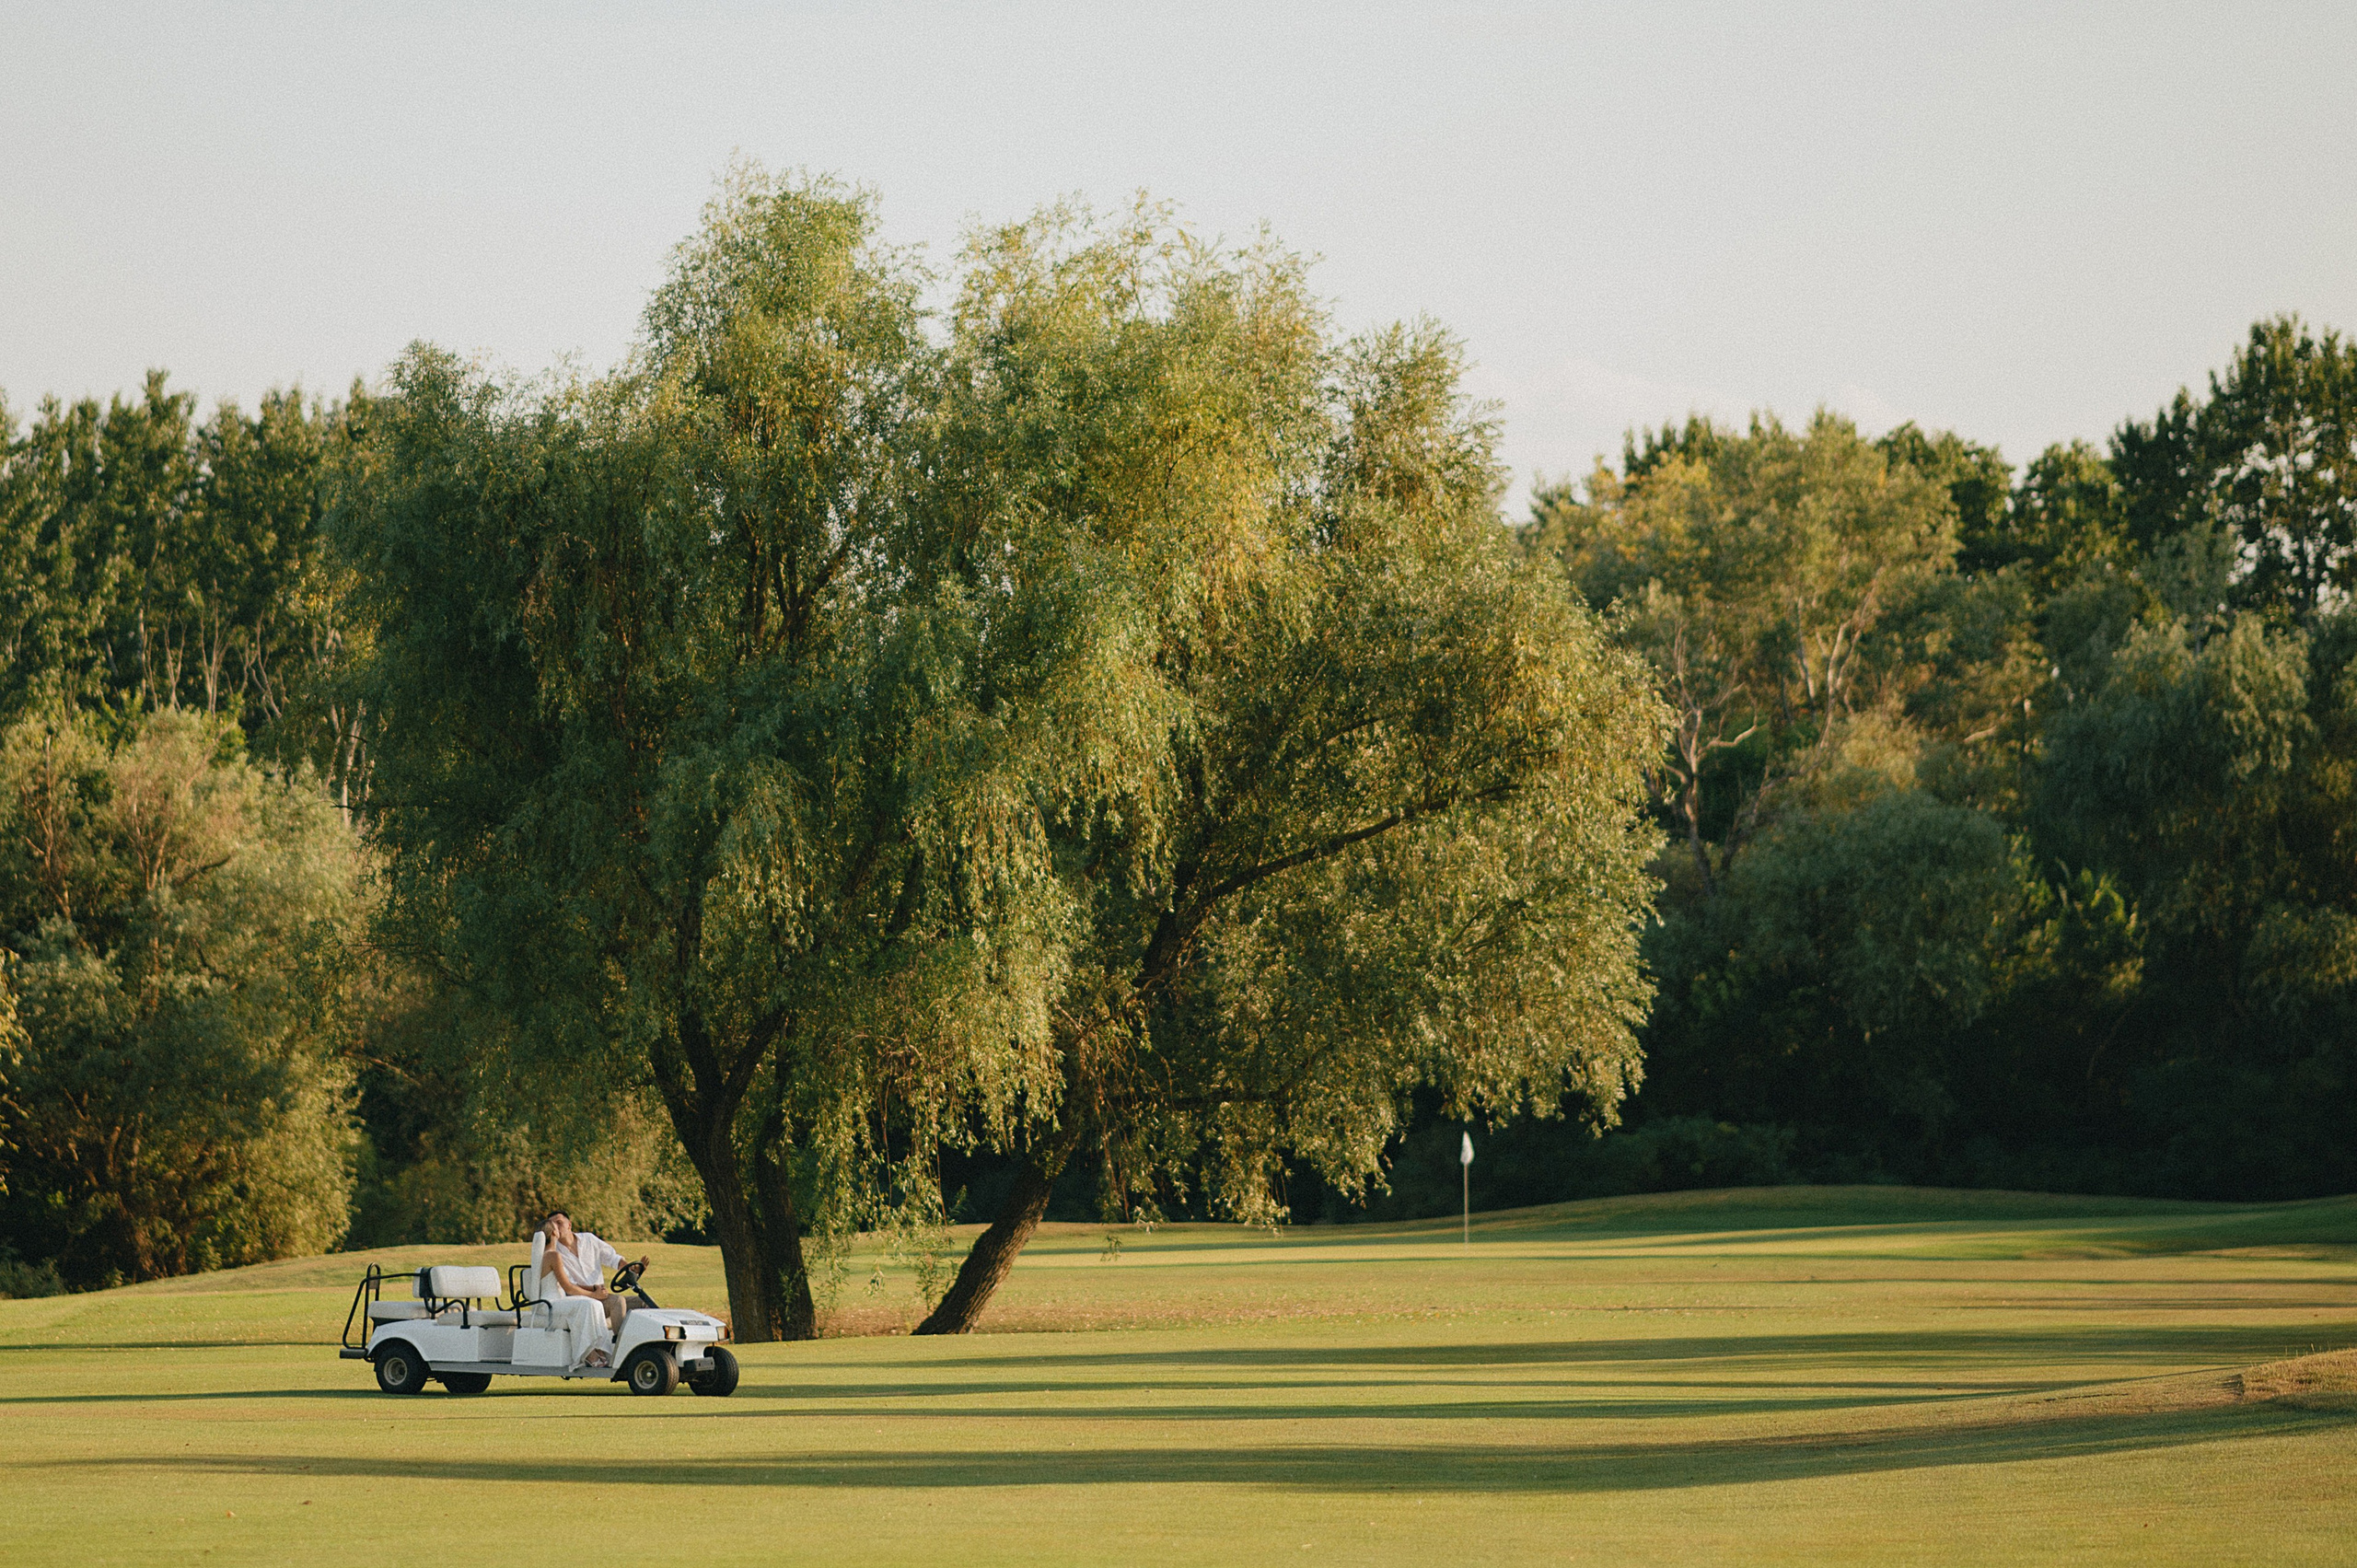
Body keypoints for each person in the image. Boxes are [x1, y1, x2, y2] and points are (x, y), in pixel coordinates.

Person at [534, 1210, 652, 1368]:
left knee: (643, 1302)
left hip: (600, 1295)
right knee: (618, 1301)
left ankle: (651, 1346)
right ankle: (623, 1351)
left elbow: (613, 1258)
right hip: (582, 1297)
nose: (557, 1226)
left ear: (569, 1225)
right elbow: (569, 1285)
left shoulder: (589, 1240)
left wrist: (631, 1270)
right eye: (553, 1224)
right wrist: (594, 1292)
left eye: (559, 1222)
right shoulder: (556, 1254)